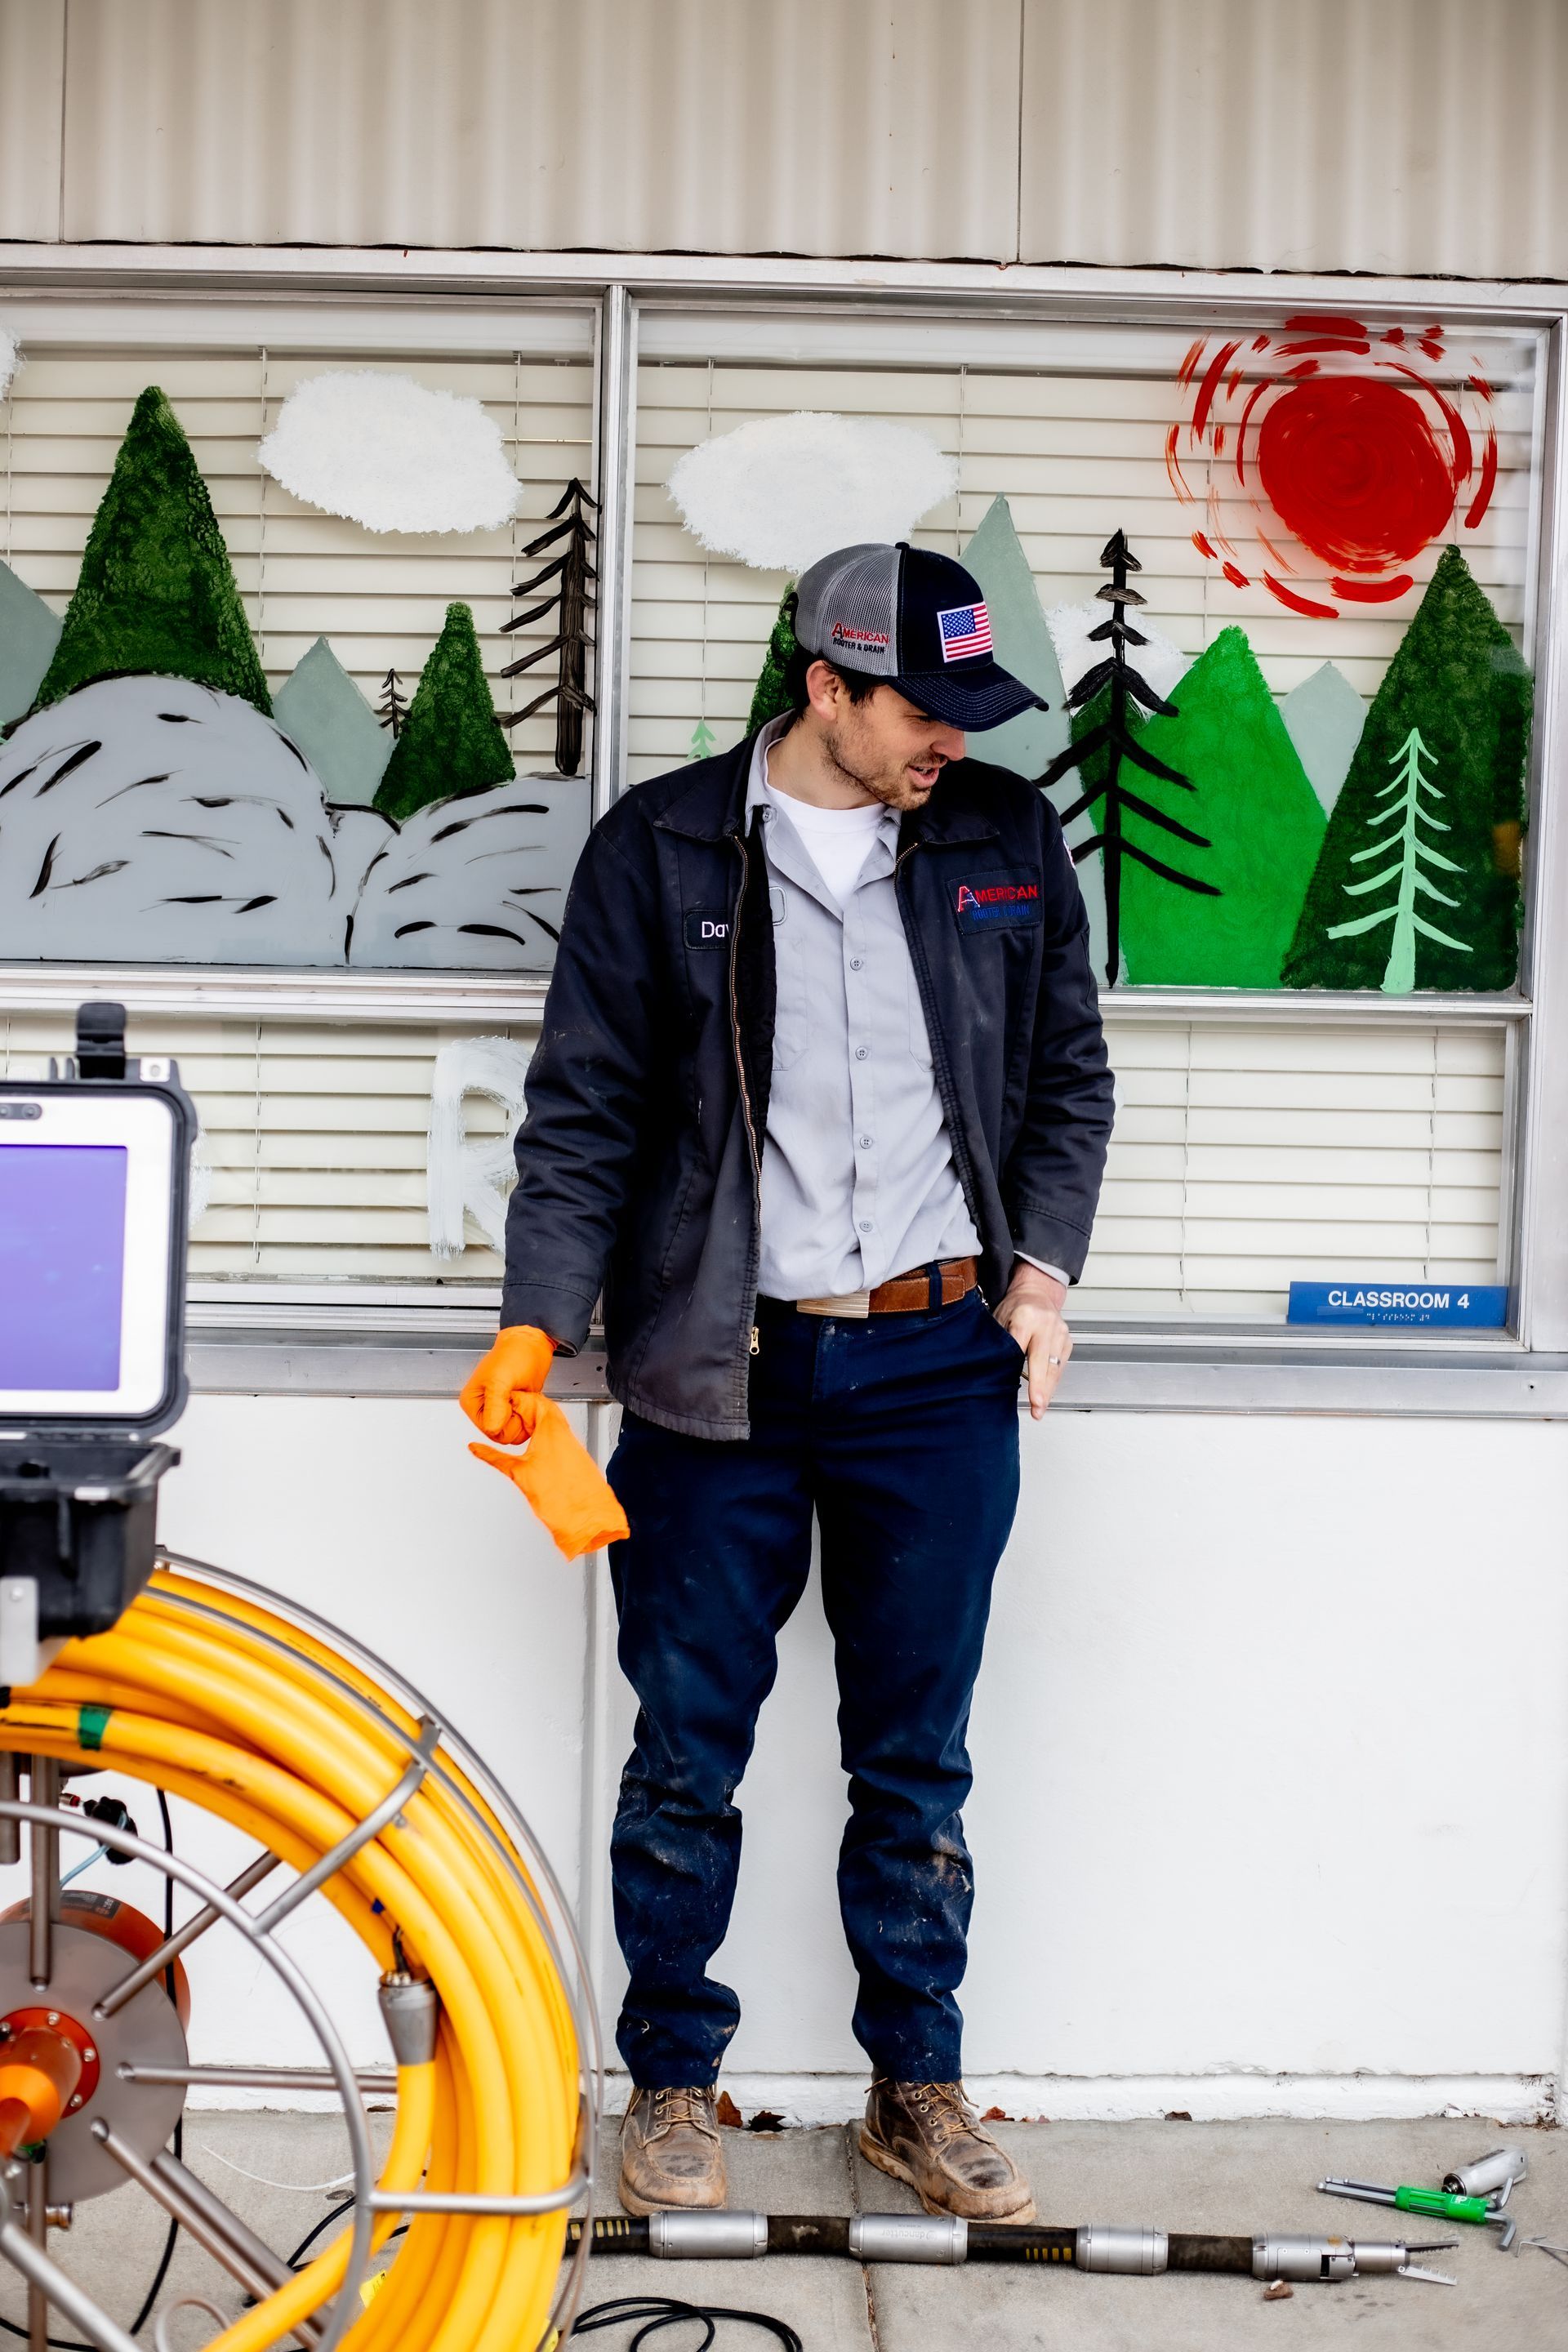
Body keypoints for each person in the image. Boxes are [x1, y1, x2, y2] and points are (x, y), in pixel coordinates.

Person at [464, 541, 1114, 2221]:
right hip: (719, 1371)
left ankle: (916, 2090)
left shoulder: (1004, 839)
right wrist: (537, 1322)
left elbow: (1069, 1077)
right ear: (826, 686)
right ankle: (675, 2080)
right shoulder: (664, 845)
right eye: (924, 709)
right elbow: (583, 1109)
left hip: (940, 1366)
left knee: (916, 1757)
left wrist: (1041, 1278)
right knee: (687, 1754)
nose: (954, 740)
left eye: (969, 710)